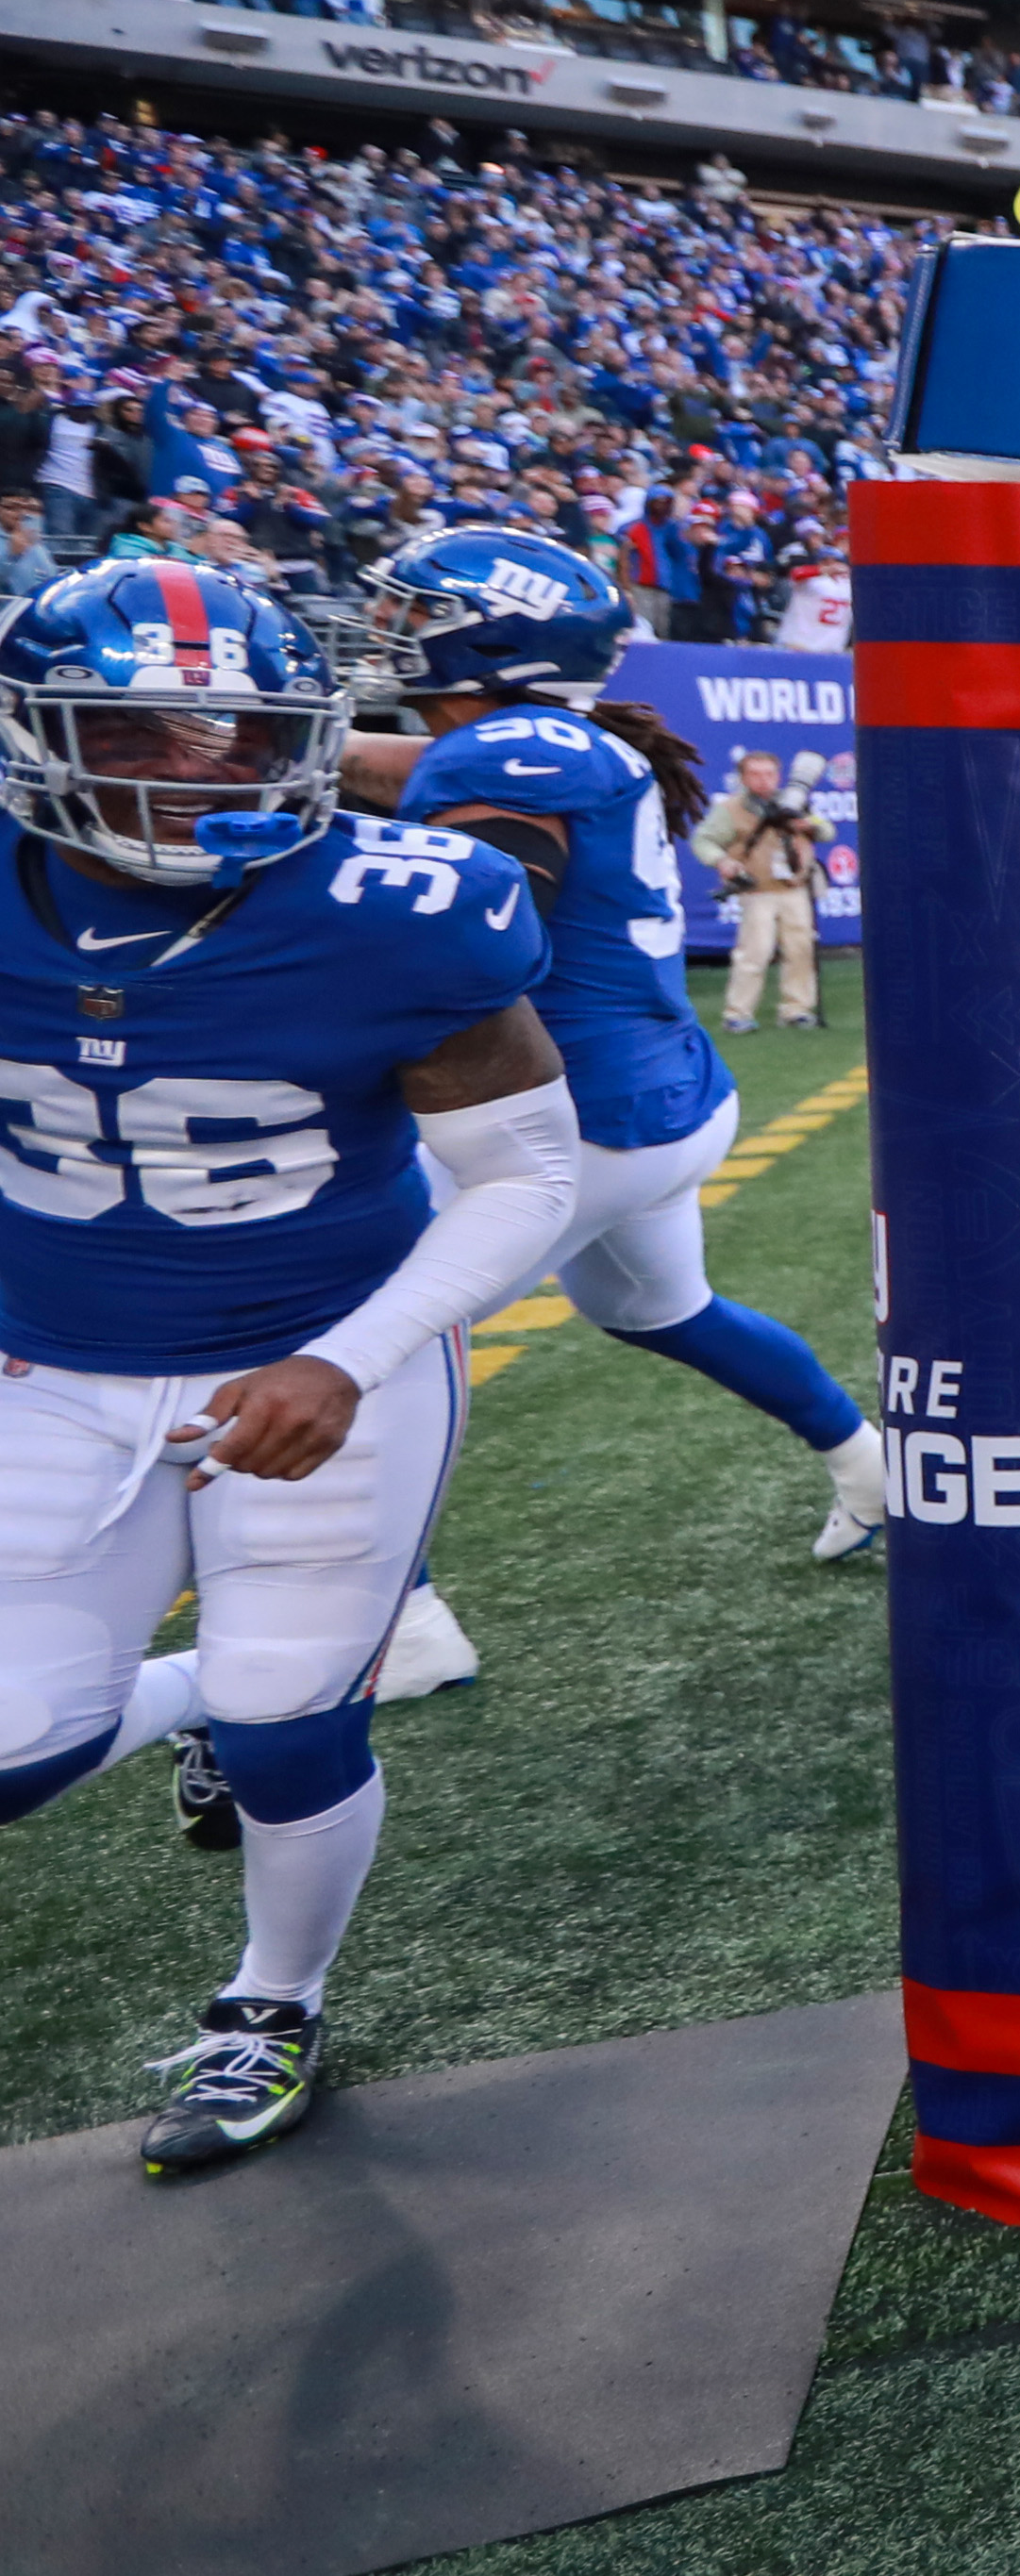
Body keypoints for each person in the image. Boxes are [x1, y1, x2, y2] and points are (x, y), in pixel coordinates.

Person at [0, 558, 581, 2171]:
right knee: (15, 1750)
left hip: (329, 1355)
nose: (213, 767)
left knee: (287, 1722)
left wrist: (347, 1352)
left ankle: (273, 2000)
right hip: (50, 1361)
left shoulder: (398, 905)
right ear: (44, 734)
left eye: (246, 730)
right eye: (153, 729)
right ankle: (203, 1696)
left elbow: (529, 1173)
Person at [353, 528, 886, 1569]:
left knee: (357, 1345)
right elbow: (390, 770)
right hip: (660, 1094)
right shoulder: (541, 742)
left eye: (414, 612)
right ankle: (867, 1463)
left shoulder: (507, 754)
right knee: (656, 1307)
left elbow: (465, 945)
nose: (388, 629)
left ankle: (396, 1620)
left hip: (573, 1121)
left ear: (495, 642)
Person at [698, 744, 826, 1030]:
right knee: (754, 953)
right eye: (755, 774)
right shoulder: (731, 809)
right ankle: (738, 1013)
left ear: (778, 776)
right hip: (758, 891)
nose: (763, 780)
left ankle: (797, 1009)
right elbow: (703, 840)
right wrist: (722, 861)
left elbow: (825, 829)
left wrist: (808, 825)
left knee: (800, 951)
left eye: (768, 774)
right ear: (743, 778)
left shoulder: (796, 802)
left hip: (794, 888)